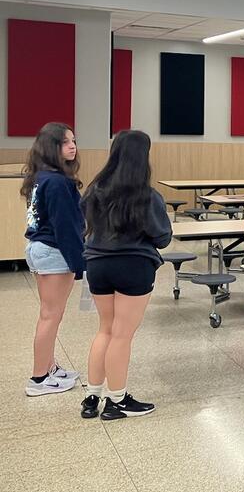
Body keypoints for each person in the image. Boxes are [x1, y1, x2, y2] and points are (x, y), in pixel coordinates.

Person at [80, 130, 171, 420]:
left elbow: (85, 224)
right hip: (133, 266)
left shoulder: (94, 190)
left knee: (105, 329)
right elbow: (163, 237)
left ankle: (92, 396)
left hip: (97, 265)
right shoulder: (147, 196)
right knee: (122, 334)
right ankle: (117, 400)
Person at [22, 122, 84, 397]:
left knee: (51, 314)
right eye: (65, 142)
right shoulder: (57, 182)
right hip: (52, 250)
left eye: (73, 141)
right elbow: (66, 227)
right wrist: (80, 263)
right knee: (50, 315)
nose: (72, 146)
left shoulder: (42, 177)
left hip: (40, 248)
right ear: (51, 147)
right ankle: (38, 378)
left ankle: (50, 368)